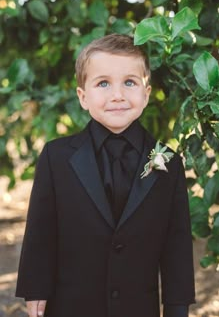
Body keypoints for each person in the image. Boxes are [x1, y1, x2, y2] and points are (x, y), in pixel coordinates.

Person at [16, 34, 195, 317]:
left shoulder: (168, 162)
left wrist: (177, 308)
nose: (117, 95)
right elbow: (41, 228)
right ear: (83, 97)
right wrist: (35, 288)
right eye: (103, 83)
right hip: (70, 306)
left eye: (129, 82)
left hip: (139, 308)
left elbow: (177, 245)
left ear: (146, 94)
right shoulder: (56, 157)